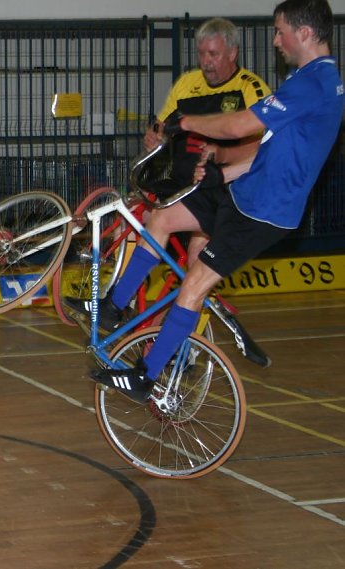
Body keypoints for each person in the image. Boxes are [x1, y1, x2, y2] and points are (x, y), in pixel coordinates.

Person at [88, 0, 343, 402]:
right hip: (243, 192)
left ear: (306, 33)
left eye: (280, 32)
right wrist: (223, 173)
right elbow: (272, 150)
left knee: (194, 284)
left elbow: (241, 125)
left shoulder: (313, 84)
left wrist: (186, 122)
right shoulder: (312, 79)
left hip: (262, 211)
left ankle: (147, 376)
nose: (276, 41)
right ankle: (114, 306)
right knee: (163, 217)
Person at [144, 17, 271, 265]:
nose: (205, 61)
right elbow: (160, 126)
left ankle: (191, 287)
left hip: (221, 189)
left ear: (232, 53)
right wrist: (153, 138)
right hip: (180, 183)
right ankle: (124, 285)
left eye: (213, 54)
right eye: (201, 53)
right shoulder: (186, 84)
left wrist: (223, 155)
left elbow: (265, 147)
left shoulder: (250, 89)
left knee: (197, 252)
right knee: (131, 218)